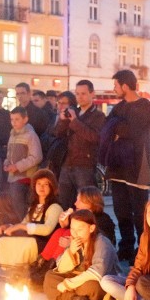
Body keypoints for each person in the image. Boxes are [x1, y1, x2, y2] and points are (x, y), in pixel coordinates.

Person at [99, 70, 150, 263]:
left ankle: (143, 251)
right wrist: (116, 126)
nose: (114, 89)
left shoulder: (145, 106)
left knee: (140, 213)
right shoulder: (118, 108)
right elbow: (107, 127)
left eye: (115, 85)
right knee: (121, 211)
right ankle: (126, 247)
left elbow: (133, 130)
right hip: (117, 167)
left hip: (137, 166)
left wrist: (116, 127)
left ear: (124, 86)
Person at [30, 186, 116, 286]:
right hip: (76, 257)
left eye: (79, 201)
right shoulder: (79, 217)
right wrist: (65, 224)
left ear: (90, 202)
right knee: (60, 231)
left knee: (66, 233)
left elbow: (99, 241)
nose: (75, 203)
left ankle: (50, 268)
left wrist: (71, 243)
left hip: (92, 261)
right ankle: (41, 264)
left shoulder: (102, 220)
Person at [43, 209, 120, 300]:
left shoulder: (102, 242)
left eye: (79, 230)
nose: (75, 233)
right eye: (72, 229)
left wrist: (68, 284)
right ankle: (74, 299)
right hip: (78, 279)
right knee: (50, 277)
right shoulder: (74, 241)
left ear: (91, 228)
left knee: (92, 287)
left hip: (98, 280)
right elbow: (61, 268)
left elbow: (97, 272)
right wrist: (71, 252)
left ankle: (70, 296)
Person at [55, 80, 106, 210]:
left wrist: (75, 121)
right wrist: (62, 120)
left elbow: (94, 137)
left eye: (83, 93)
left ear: (92, 94)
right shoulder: (73, 112)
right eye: (77, 94)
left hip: (85, 165)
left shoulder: (98, 116)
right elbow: (57, 134)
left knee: (85, 204)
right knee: (63, 203)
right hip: (67, 163)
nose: (80, 97)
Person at [0, 169, 62, 267]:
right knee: (3, 240)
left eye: (46, 184)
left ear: (52, 187)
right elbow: (23, 224)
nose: (41, 187)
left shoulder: (55, 207)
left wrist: (20, 226)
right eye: (39, 184)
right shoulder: (34, 207)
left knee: (24, 243)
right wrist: (9, 227)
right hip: (31, 240)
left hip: (44, 245)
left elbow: (46, 230)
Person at [4, 106, 43, 218]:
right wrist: (7, 162)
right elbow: (9, 153)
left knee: (20, 205)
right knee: (14, 204)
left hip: (25, 177)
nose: (14, 122)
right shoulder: (12, 135)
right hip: (13, 176)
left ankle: (24, 227)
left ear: (25, 119)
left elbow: (36, 157)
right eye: (12, 119)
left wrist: (17, 166)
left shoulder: (31, 135)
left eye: (17, 119)